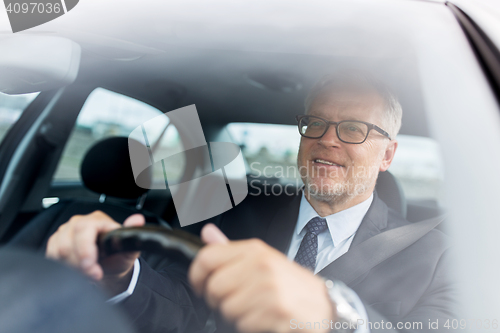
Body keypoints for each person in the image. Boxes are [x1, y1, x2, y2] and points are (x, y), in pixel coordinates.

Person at [45, 72, 457, 333]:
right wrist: (120, 278)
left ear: (387, 155)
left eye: (354, 128)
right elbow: (179, 308)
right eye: (315, 123)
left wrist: (339, 318)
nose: (327, 139)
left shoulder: (440, 256)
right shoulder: (231, 215)